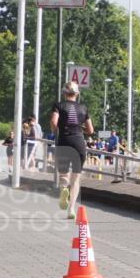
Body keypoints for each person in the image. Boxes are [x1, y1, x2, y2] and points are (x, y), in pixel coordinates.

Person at [51, 80, 94, 219]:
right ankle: (71, 209)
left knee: (64, 174)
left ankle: (64, 188)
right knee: (76, 178)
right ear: (77, 94)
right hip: (78, 142)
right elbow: (90, 130)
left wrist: (55, 130)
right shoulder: (83, 108)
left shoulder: (59, 105)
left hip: (64, 140)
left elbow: (53, 122)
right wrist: (80, 127)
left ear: (64, 93)